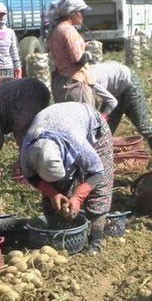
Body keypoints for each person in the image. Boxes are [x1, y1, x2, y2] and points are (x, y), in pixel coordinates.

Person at [19, 102, 113, 254]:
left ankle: (96, 239)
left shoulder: (77, 142)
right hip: (54, 120)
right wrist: (53, 193)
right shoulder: (26, 154)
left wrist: (78, 197)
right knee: (58, 189)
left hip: (91, 123)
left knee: (101, 186)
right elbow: (32, 177)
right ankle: (55, 231)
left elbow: (97, 171)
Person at [89, 60, 152, 158]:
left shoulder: (92, 81)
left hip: (129, 83)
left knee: (141, 123)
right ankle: (101, 155)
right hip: (115, 89)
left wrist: (103, 115)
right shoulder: (80, 79)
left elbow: (111, 102)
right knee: (106, 127)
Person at [46, 0, 97, 105]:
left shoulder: (55, 29)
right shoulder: (68, 30)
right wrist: (89, 54)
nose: (83, 15)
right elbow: (78, 59)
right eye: (81, 12)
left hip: (60, 81)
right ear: (73, 12)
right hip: (75, 83)